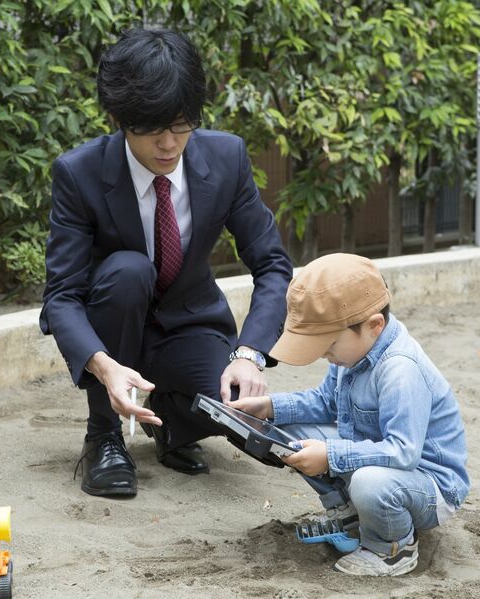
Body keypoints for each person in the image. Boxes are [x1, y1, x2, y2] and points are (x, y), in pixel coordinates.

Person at [39, 28, 293, 498]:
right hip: (115, 319)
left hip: (189, 325)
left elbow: (273, 265)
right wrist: (103, 366)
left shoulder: (227, 157)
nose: (169, 144)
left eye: (180, 125)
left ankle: (170, 424)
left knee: (234, 410)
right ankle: (103, 436)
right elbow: (62, 297)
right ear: (119, 119)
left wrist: (249, 354)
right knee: (129, 269)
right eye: (152, 129)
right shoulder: (79, 173)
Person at [228, 254, 469, 576]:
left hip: (428, 486)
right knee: (290, 433)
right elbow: (326, 401)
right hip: (380, 460)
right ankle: (352, 516)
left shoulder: (400, 370)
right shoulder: (355, 353)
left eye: (328, 345)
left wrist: (330, 454)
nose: (323, 355)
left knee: (370, 483)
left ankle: (392, 548)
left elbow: (404, 452)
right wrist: (271, 406)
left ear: (374, 326)